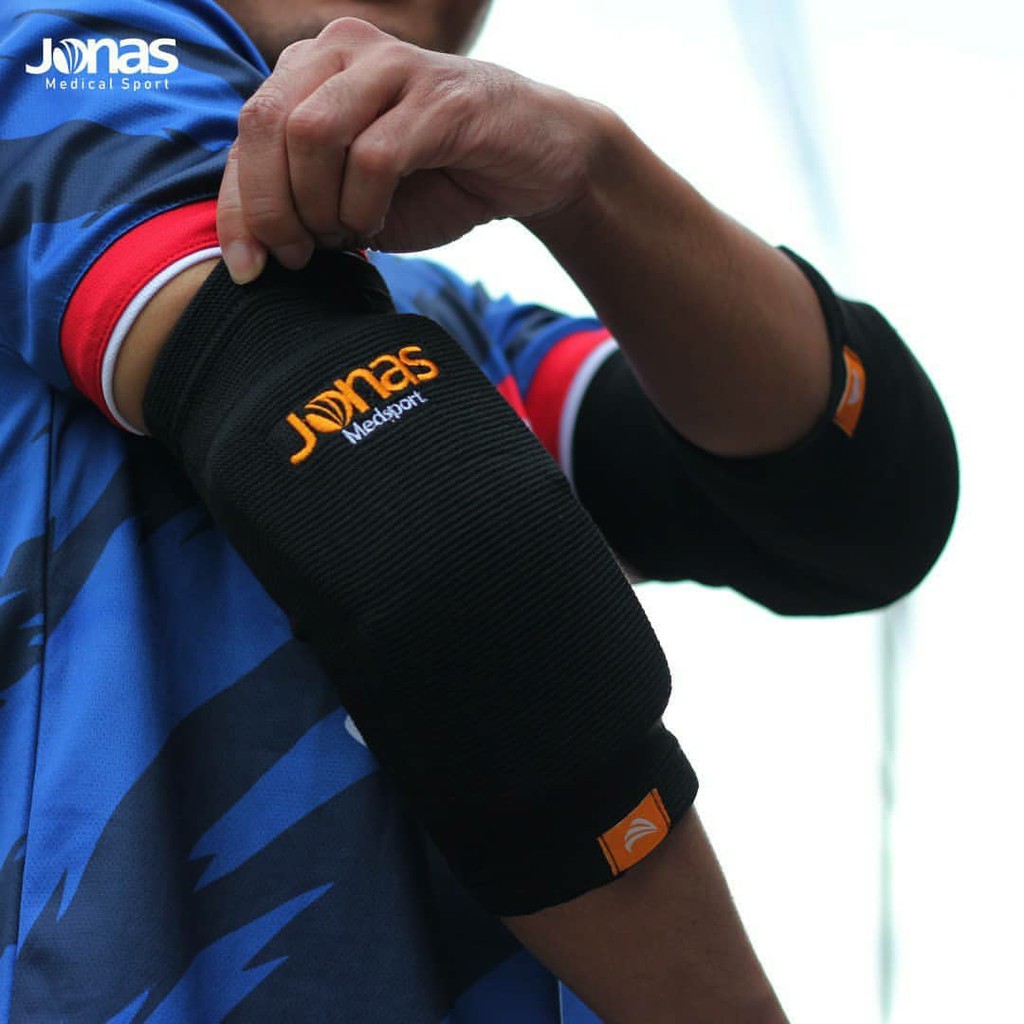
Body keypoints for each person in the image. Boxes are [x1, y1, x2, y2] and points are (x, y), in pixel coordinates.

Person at [0, 1, 958, 1021]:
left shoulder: (437, 324)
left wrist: (589, 171)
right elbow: (435, 527)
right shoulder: (53, 52)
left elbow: (856, 503)